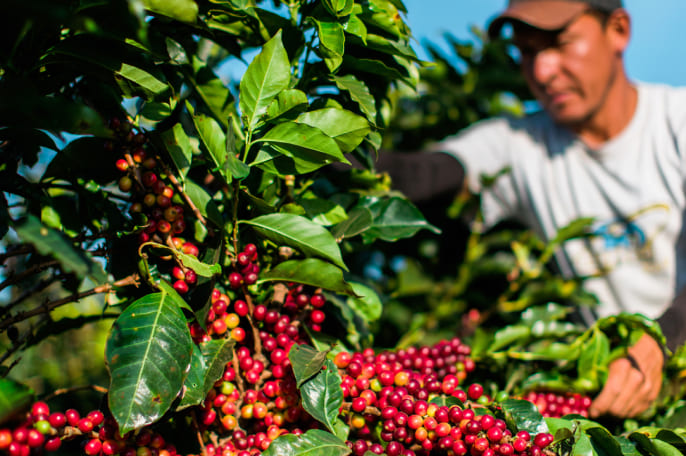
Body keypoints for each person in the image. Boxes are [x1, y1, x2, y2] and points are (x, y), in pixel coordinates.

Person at [371, 0, 686, 418]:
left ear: (619, 30)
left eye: (560, 43)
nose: (541, 71)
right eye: (527, 51)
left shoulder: (676, 122)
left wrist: (661, 342)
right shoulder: (521, 147)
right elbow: (424, 175)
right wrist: (326, 150)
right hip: (616, 396)